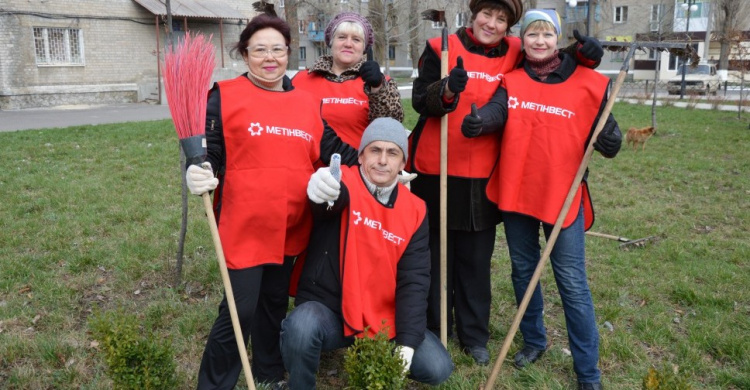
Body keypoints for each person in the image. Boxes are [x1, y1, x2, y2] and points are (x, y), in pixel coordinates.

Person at [408, 0, 604, 365]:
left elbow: (551, 57)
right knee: (436, 255)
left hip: (486, 171)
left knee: (476, 259)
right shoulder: (441, 47)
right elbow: (421, 99)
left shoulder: (516, 50)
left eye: (502, 19)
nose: (492, 24)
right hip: (437, 168)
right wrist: (448, 90)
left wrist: (586, 53)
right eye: (487, 14)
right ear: (474, 14)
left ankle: (474, 335)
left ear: (510, 26)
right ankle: (436, 331)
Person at [185, 14, 357, 390]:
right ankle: (214, 384)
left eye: (277, 49)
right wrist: (198, 170)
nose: (269, 57)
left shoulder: (307, 104)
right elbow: (208, 151)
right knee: (239, 310)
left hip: (291, 225)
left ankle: (267, 372)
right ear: (244, 54)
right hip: (242, 224)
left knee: (274, 302)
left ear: (288, 53)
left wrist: (387, 158)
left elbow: (334, 152)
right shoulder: (224, 95)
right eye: (259, 49)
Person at [462, 9, 621, 390]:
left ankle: (587, 371)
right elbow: (500, 111)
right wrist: (480, 121)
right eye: (532, 34)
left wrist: (610, 140)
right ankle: (535, 340)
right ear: (524, 38)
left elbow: (609, 136)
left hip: (562, 197)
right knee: (524, 271)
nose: (538, 41)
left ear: (557, 39)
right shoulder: (512, 80)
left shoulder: (588, 83)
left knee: (571, 282)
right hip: (517, 192)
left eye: (547, 34)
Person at [280, 118, 453, 389]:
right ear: (360, 156)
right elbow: (328, 204)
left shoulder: (416, 210)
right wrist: (320, 191)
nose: (382, 160)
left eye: (392, 152)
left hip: (385, 318)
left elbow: (414, 280)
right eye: (374, 150)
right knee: (301, 328)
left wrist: (407, 343)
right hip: (332, 310)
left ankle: (375, 348)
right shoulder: (343, 184)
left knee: (438, 367)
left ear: (402, 163)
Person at [292, 12, 404, 148]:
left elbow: (391, 128)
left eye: (356, 40)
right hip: (309, 167)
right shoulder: (302, 79)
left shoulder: (380, 83)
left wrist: (377, 89)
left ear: (364, 48)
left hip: (356, 166)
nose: (348, 44)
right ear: (331, 42)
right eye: (342, 37)